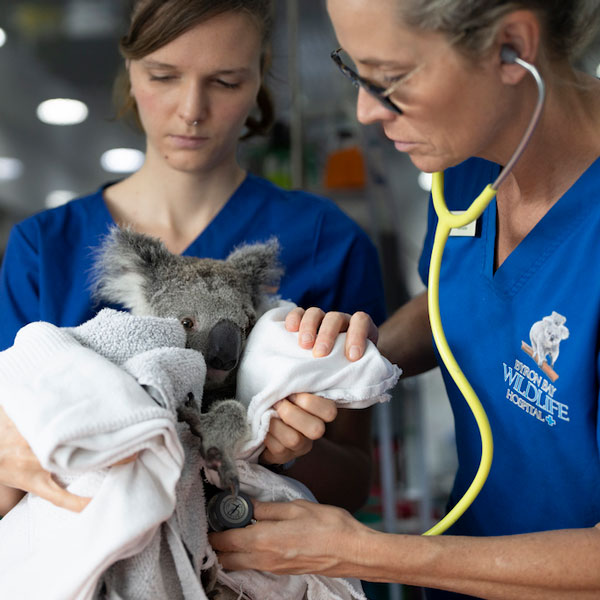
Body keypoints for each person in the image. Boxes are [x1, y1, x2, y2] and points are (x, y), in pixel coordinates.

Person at [209, 1, 600, 598]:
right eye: (354, 73)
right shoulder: (472, 163)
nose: (367, 111)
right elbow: (464, 295)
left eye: (389, 81)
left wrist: (358, 552)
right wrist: (344, 367)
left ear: (512, 45)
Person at [0, 0, 386, 518]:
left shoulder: (327, 241)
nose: (191, 109)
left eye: (225, 82)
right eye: (163, 76)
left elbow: (355, 480)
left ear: (258, 77)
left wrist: (287, 451)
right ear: (130, 68)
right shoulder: (44, 247)